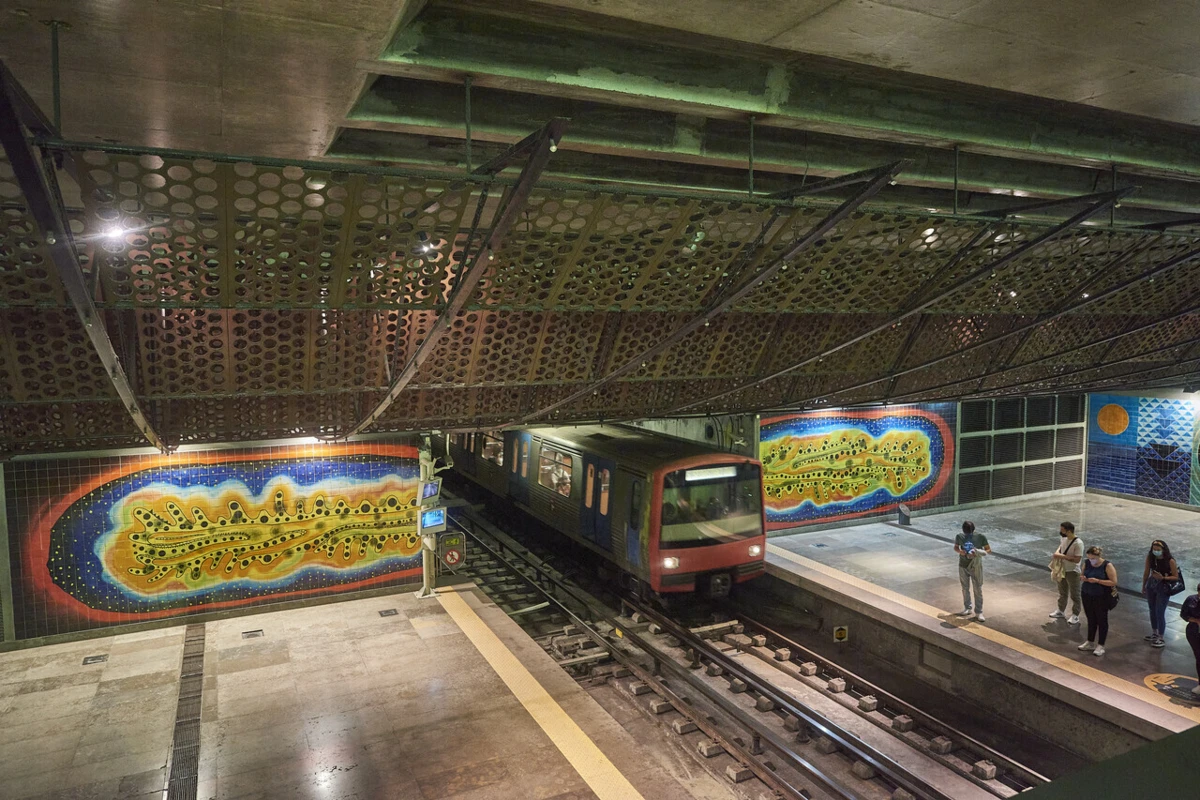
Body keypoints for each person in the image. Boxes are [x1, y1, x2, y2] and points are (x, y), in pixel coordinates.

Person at [1079, 546, 1118, 656]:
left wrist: (1098, 581)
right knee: (1091, 619)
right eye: (1089, 558)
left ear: (1098, 556)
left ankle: (1101, 644)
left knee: (1101, 620)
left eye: (1093, 558)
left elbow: (1113, 582)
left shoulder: (1107, 565)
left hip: (1101, 597)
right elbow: (1082, 574)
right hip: (1087, 594)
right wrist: (1083, 578)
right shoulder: (1087, 563)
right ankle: (1090, 641)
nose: (1091, 560)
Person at [1141, 539, 1179, 648]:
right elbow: (1146, 571)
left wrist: (1163, 578)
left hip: (1163, 587)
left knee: (1160, 611)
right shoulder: (1150, 557)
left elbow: (1175, 577)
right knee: (1152, 609)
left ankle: (1161, 636)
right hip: (1152, 585)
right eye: (1154, 549)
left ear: (1163, 550)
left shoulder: (1170, 561)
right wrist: (1144, 585)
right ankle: (1154, 632)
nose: (1156, 551)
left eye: (1158, 550)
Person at [954, 521, 991, 621]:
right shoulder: (959, 536)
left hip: (976, 565)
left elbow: (988, 550)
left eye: (969, 533)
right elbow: (956, 547)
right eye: (966, 533)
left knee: (977, 588)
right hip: (963, 565)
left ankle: (979, 612)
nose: (968, 535)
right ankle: (967, 607)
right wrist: (960, 552)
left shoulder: (980, 537)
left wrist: (978, 552)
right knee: (965, 587)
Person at [1049, 521, 1083, 625]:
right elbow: (1061, 546)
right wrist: (1057, 552)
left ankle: (1075, 615)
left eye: (1062, 530)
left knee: (1075, 594)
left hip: (1072, 571)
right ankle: (1061, 610)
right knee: (1062, 592)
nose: (1060, 531)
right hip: (1062, 569)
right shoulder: (1064, 538)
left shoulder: (1078, 543)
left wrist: (1061, 556)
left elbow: (1077, 559)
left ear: (1069, 531)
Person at [1180, 588, 1200, 697]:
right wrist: (1195, 620)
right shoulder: (1191, 600)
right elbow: (1183, 614)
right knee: (1199, 657)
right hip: (1193, 632)